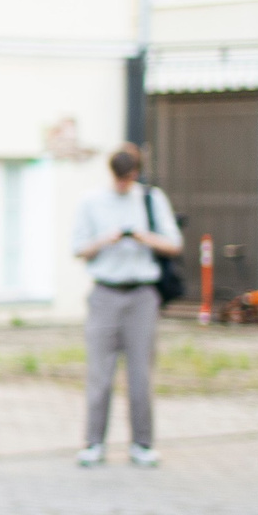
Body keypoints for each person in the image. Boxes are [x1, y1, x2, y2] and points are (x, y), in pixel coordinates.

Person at [74, 142, 182, 468]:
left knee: (140, 375)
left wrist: (140, 236)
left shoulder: (151, 199)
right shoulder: (92, 202)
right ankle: (93, 444)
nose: (124, 183)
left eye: (129, 177)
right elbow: (78, 248)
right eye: (119, 177)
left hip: (141, 295)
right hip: (105, 292)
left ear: (136, 173)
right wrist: (105, 240)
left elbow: (173, 244)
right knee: (100, 374)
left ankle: (142, 444)